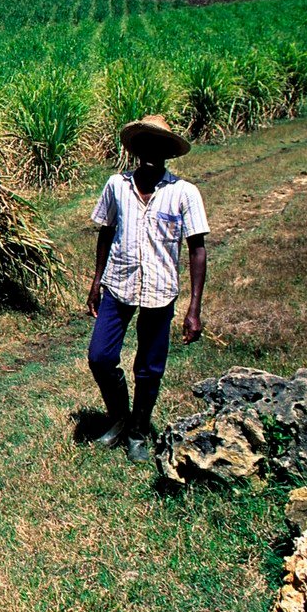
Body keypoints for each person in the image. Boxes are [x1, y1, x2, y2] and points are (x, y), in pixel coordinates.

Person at [86, 114, 208, 463]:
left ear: (168, 152)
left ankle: (139, 430)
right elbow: (107, 233)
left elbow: (197, 249)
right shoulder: (116, 186)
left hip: (160, 289)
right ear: (137, 150)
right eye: (146, 145)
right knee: (100, 357)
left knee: (150, 366)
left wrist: (194, 308)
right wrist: (97, 282)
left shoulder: (183, 193)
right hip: (119, 283)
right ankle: (120, 417)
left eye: (160, 146)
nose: (153, 152)